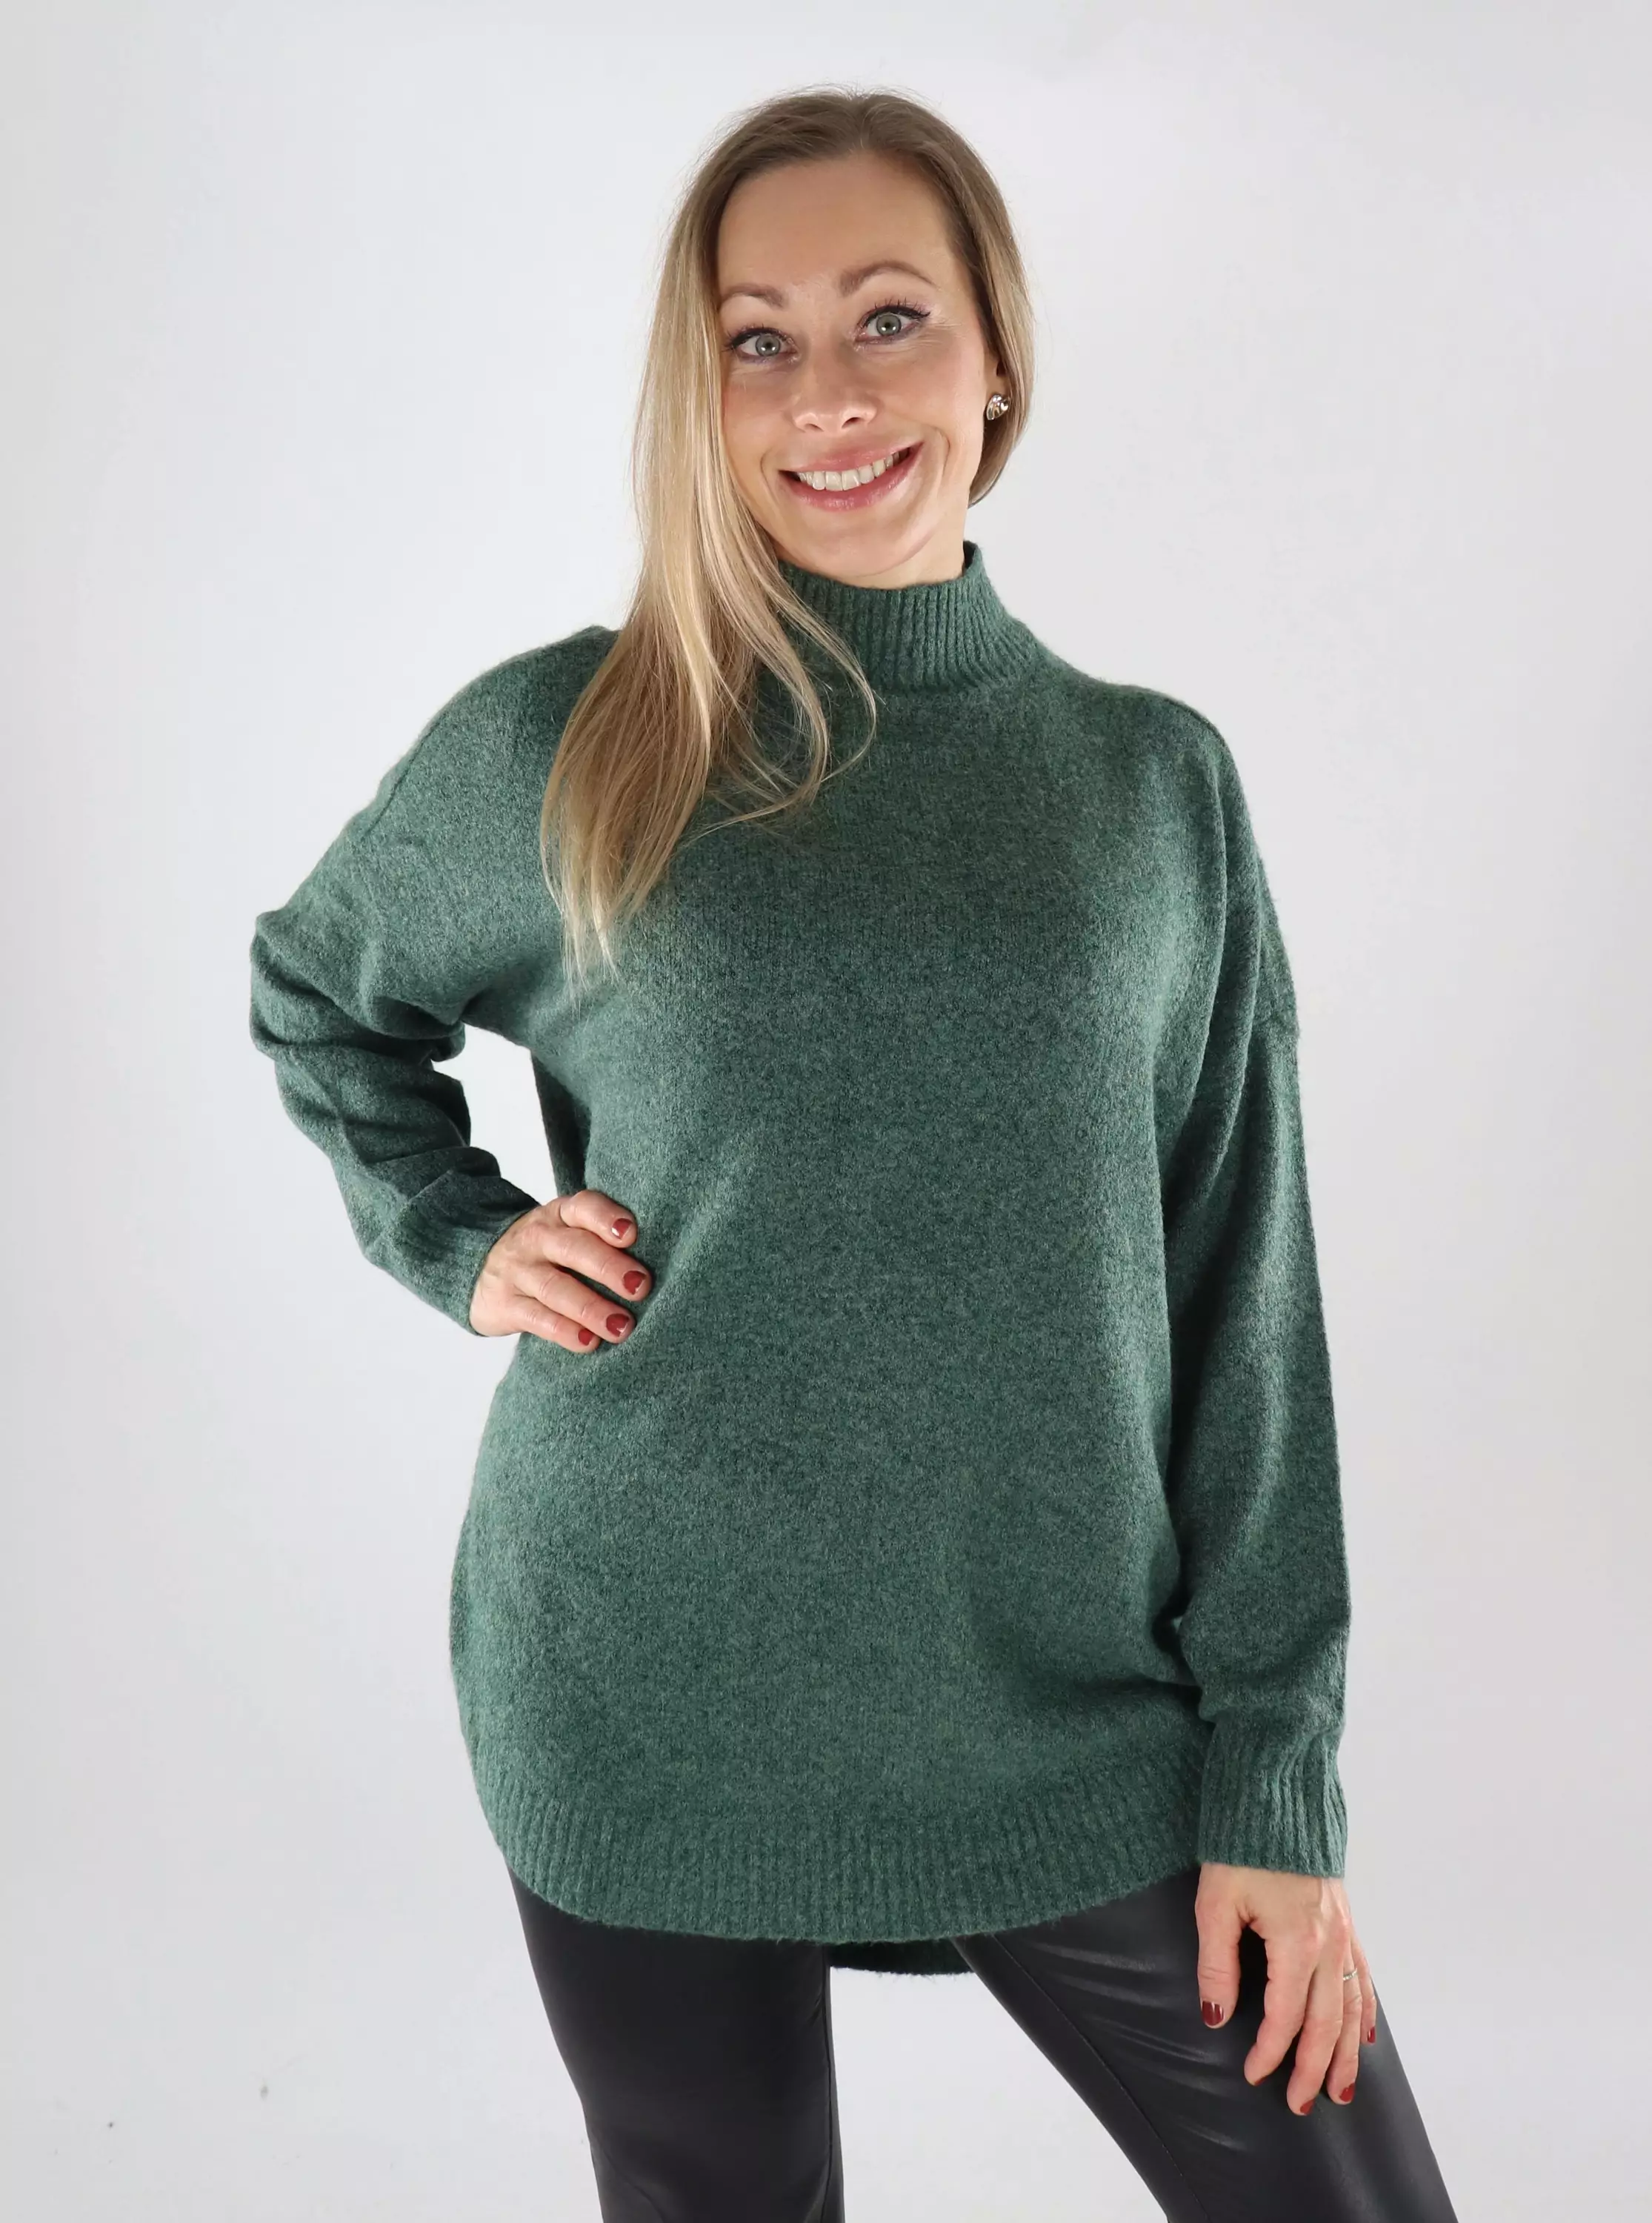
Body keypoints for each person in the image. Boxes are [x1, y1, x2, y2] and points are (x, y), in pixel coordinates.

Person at [248, 84, 1459, 2223]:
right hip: (650, 1673)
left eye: (888, 317)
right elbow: (319, 989)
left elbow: (1240, 1293)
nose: (827, 393)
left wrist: (1276, 1776)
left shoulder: (1147, 785)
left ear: (996, 355)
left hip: (1069, 1707)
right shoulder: (573, 741)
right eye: (757, 340)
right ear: (698, 391)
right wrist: (460, 1234)